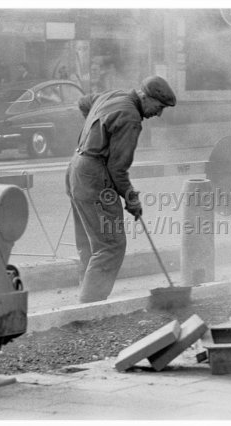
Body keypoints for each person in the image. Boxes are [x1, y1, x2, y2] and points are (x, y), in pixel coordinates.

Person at [65, 76, 176, 303]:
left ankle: (84, 301)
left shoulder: (113, 95)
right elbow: (117, 169)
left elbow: (84, 103)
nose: (159, 113)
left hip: (76, 168)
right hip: (94, 176)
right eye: (159, 106)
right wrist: (132, 199)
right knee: (111, 245)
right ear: (145, 96)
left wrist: (96, 134)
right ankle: (91, 306)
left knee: (89, 242)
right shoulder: (130, 118)